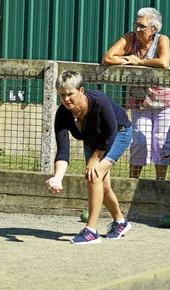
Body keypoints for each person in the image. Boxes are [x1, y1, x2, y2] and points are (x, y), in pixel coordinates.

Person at [45, 70, 133, 245]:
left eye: (70, 94)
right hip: (92, 140)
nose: (66, 99)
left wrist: (96, 156)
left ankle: (91, 231)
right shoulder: (62, 114)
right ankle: (121, 222)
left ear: (81, 90)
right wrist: (57, 177)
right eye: (62, 95)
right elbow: (63, 150)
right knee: (103, 185)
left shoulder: (99, 101)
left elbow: (111, 132)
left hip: (119, 134)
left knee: (94, 175)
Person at [102, 7, 170, 180]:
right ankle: (132, 181)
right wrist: (128, 59)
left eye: (142, 26)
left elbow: (164, 61)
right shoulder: (129, 38)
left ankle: (160, 184)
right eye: (137, 24)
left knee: (161, 143)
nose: (137, 29)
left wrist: (140, 62)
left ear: (153, 29)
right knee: (140, 143)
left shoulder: (162, 39)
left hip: (163, 100)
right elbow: (108, 58)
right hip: (139, 101)